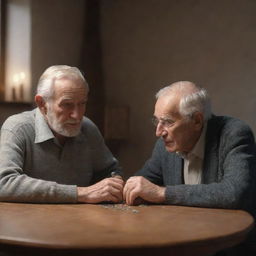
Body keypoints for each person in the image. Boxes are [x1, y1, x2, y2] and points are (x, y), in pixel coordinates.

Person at [123, 81, 256, 255]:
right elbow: (143, 185)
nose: (158, 132)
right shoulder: (164, 145)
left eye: (168, 122)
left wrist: (162, 193)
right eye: (157, 121)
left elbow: (235, 193)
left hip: (228, 249)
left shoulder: (234, 134)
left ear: (197, 120)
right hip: (181, 244)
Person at [0, 65, 124, 203]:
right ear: (42, 104)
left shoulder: (88, 128)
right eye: (67, 104)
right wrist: (80, 193)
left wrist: (114, 183)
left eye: (82, 103)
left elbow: (110, 171)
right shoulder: (17, 128)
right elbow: (4, 183)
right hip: (28, 222)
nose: (77, 115)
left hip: (79, 221)